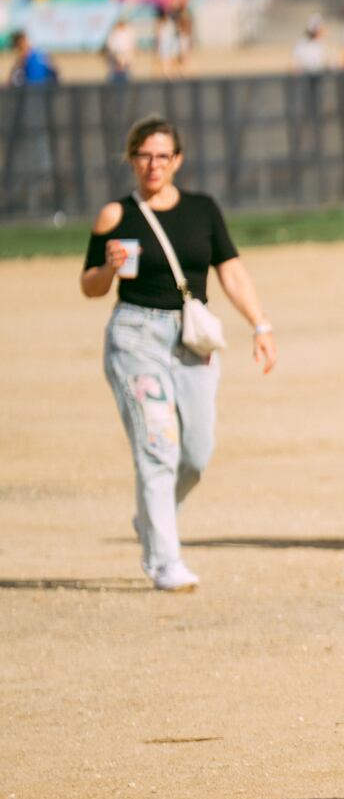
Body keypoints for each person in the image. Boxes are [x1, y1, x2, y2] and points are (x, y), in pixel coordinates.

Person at [79, 116, 277, 592]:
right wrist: (108, 269)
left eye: (162, 156)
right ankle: (165, 562)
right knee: (158, 447)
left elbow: (231, 271)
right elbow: (89, 286)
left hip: (192, 337)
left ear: (178, 160)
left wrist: (260, 324)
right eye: (144, 156)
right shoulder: (115, 215)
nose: (153, 165)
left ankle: (152, 516)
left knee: (196, 453)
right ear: (131, 159)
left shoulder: (202, 210)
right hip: (135, 337)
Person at [103, 17, 138, 82]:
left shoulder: (129, 31)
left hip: (126, 53)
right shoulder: (113, 32)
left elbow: (132, 43)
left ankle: (126, 79)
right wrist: (114, 54)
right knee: (114, 69)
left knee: (126, 69)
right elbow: (110, 44)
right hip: (116, 53)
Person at [152, 9, 183, 81]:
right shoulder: (170, 23)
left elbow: (158, 36)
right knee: (169, 61)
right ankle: (171, 75)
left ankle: (169, 76)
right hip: (169, 44)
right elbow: (174, 34)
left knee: (166, 61)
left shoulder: (161, 24)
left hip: (165, 44)